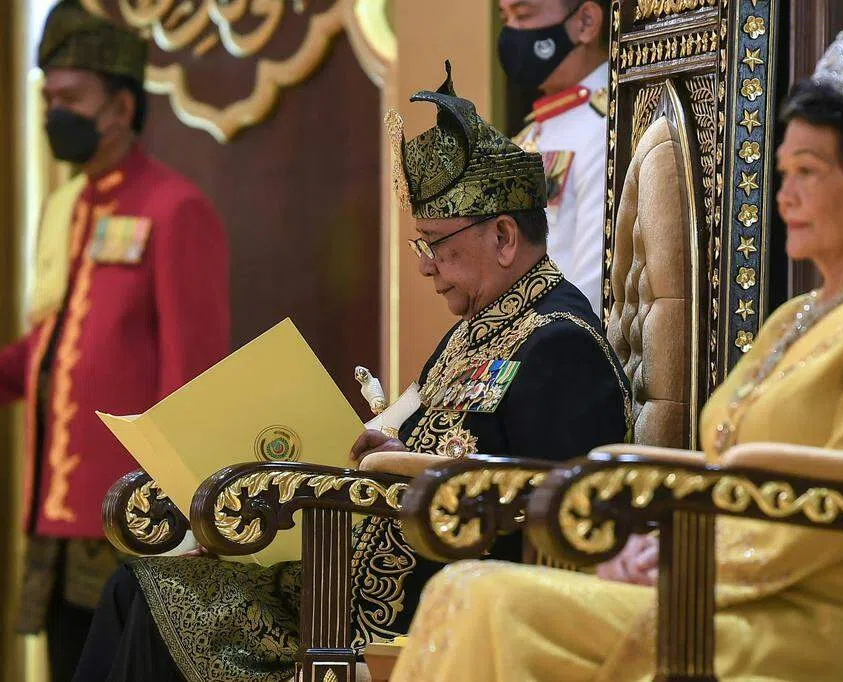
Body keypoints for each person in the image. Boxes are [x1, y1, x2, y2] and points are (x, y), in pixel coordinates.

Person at [388, 32, 843, 682]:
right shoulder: (791, 321)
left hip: (824, 617)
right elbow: (724, 476)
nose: (784, 194)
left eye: (809, 171)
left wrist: (684, 559)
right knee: (466, 590)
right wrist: (651, 544)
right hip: (724, 590)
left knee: (483, 596)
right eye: (783, 172)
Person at [71, 62, 632, 682]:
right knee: (137, 584)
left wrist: (414, 470)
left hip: (412, 612)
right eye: (419, 246)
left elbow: (560, 515)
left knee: (159, 604)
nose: (425, 266)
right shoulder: (480, 325)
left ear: (503, 236)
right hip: (342, 574)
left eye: (434, 243)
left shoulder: (561, 344)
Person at [0, 2, 230, 679]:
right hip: (54, 515)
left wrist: (177, 517)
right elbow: (50, 350)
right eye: (48, 99)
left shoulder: (174, 207)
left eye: (70, 99)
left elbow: (193, 381)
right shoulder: (67, 208)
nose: (54, 114)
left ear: (121, 107)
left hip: (129, 517)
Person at [501, 0, 610, 315]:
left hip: (565, 335)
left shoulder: (608, 123)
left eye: (523, 15)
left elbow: (594, 284)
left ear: (585, 22)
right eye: (505, 18)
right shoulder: (535, 131)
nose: (511, 33)